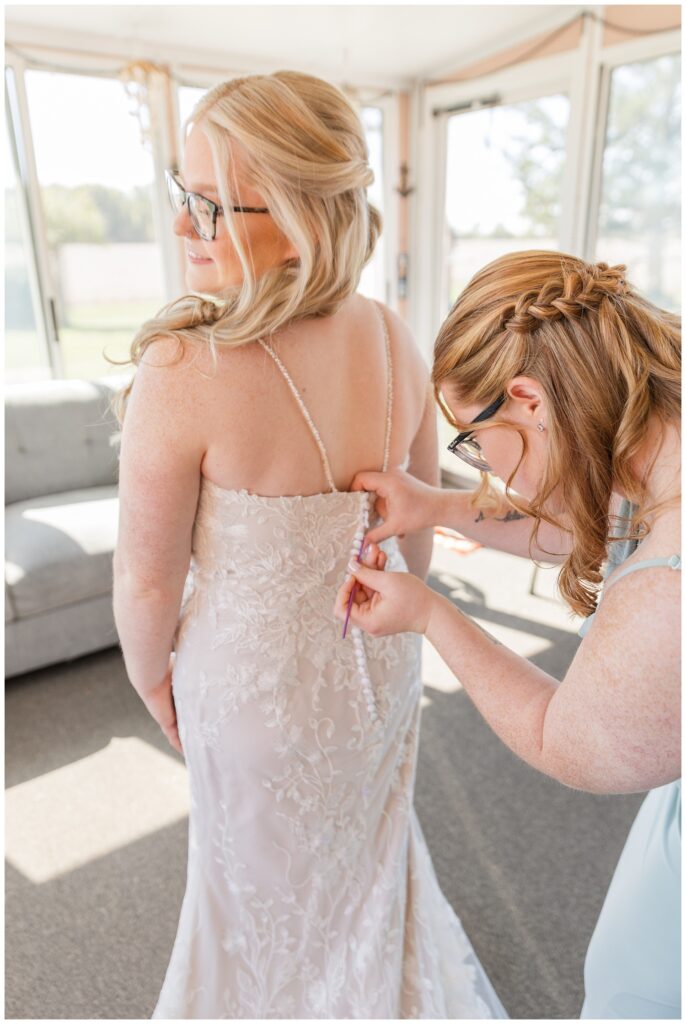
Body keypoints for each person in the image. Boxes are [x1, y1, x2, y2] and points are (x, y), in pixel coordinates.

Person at [111, 71, 506, 1018]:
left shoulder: (183, 367)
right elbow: (414, 540)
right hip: (377, 673)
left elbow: (145, 575)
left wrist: (149, 679)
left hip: (250, 697)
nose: (181, 228)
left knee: (257, 917)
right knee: (366, 885)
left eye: (206, 206)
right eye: (182, 195)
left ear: (295, 220)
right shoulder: (392, 337)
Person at [335, 250, 681, 1019]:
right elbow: (585, 523)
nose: (477, 462)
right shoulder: (657, 433)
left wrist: (431, 614)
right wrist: (436, 505)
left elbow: (575, 743)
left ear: (526, 399)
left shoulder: (668, 584)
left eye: (470, 439)